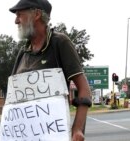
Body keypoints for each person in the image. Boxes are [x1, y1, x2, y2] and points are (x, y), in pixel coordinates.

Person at [9, 0, 92, 140]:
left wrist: (77, 129)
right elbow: (12, 99)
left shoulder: (59, 43)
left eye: (19, 15)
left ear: (36, 14)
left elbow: (84, 89)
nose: (16, 21)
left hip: (53, 135)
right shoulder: (23, 52)